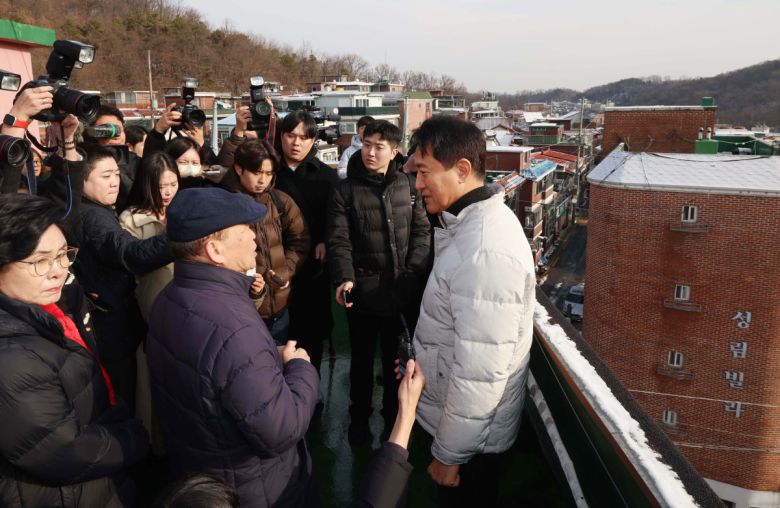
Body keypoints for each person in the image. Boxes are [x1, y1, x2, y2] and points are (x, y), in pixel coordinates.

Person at [146, 187, 319, 508]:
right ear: (214, 250)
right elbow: (280, 429)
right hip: (256, 491)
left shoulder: (166, 299)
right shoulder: (233, 327)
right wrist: (299, 368)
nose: (255, 238)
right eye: (245, 230)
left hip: (200, 479)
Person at [411, 116, 536, 507]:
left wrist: (450, 455)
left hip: (469, 448)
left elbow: (482, 373)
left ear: (462, 170)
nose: (417, 184)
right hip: (458, 426)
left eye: (424, 172)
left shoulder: (483, 249)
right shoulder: (464, 228)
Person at [0, 194, 149, 507]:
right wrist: (133, 438)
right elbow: (63, 452)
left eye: (63, 255)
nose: (58, 270)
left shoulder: (52, 307)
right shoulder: (11, 358)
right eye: (40, 261)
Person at [328, 120, 430, 444]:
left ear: (395, 150)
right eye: (366, 144)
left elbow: (422, 232)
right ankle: (358, 418)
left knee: (395, 363)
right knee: (360, 363)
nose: (370, 152)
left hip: (401, 293)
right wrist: (345, 278)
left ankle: (391, 422)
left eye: (379, 146)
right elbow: (339, 240)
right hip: (363, 293)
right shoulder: (345, 190)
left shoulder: (409, 186)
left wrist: (412, 273)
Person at [73, 143, 173, 413]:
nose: (115, 182)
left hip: (114, 322)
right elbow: (130, 252)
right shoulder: (93, 217)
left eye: (117, 174)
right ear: (81, 178)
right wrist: (181, 238)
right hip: (111, 329)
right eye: (105, 176)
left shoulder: (97, 210)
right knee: (121, 397)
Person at [219, 136, 309, 344]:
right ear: (239, 169)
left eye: (269, 174)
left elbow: (301, 239)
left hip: (279, 305)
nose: (263, 180)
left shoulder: (279, 201)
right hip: (240, 308)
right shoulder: (223, 204)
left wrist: (286, 270)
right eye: (257, 173)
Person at [274, 110, 340, 374]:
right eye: (291, 135)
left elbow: (335, 217)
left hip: (313, 265)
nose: (296, 142)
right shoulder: (269, 173)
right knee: (277, 330)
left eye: (304, 137)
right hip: (275, 263)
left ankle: (311, 385)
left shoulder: (327, 176)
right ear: (281, 136)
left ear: (314, 141)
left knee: (312, 331)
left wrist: (325, 239)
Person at [337, 115, 374, 179]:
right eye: (362, 128)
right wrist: (354, 177)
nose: (365, 131)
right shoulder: (349, 151)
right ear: (357, 130)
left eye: (368, 128)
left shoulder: (378, 149)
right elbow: (341, 170)